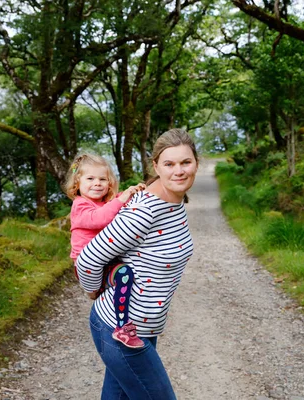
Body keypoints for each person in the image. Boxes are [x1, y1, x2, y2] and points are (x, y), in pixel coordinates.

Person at [76, 129, 198, 400]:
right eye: (169, 164)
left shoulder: (173, 202)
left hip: (143, 327)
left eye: (185, 162)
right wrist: (94, 290)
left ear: (196, 163)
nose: (179, 171)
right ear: (155, 166)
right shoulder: (145, 211)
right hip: (119, 330)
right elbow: (87, 259)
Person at [64, 153, 146, 348]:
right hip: (87, 264)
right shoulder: (80, 205)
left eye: (102, 179)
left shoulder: (105, 203)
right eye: (90, 179)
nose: (97, 183)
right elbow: (99, 218)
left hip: (108, 262)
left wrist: (132, 193)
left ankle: (121, 327)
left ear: (109, 183)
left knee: (125, 274)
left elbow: (114, 206)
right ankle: (95, 291)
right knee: (107, 283)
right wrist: (121, 200)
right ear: (77, 184)